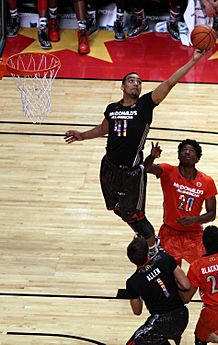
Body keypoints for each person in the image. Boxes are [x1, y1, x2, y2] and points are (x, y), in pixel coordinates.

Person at [64, 50, 208, 256]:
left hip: (132, 174)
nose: (136, 84)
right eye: (131, 81)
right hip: (108, 168)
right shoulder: (112, 108)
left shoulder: (145, 105)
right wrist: (82, 135)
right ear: (123, 87)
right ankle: (146, 236)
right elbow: (102, 129)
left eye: (139, 82)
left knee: (137, 216)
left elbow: (169, 83)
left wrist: (194, 59)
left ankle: (153, 248)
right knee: (117, 209)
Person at [145, 139, 217, 266]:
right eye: (184, 150)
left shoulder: (207, 181)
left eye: (191, 151)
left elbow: (212, 214)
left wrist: (194, 220)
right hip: (169, 233)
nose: (187, 152)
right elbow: (147, 168)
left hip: (194, 235)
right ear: (178, 155)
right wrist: (151, 157)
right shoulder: (168, 171)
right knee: (167, 273)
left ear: (197, 158)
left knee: (205, 269)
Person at [125, 236, 190, 345]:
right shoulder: (164, 258)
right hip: (182, 315)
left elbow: (137, 311)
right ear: (147, 252)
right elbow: (186, 285)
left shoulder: (133, 282)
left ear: (130, 259)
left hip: (160, 322)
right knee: (159, 338)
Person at [180, 225, 218, 345]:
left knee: (200, 338)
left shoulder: (196, 266)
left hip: (211, 314)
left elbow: (186, 299)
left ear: (202, 244)